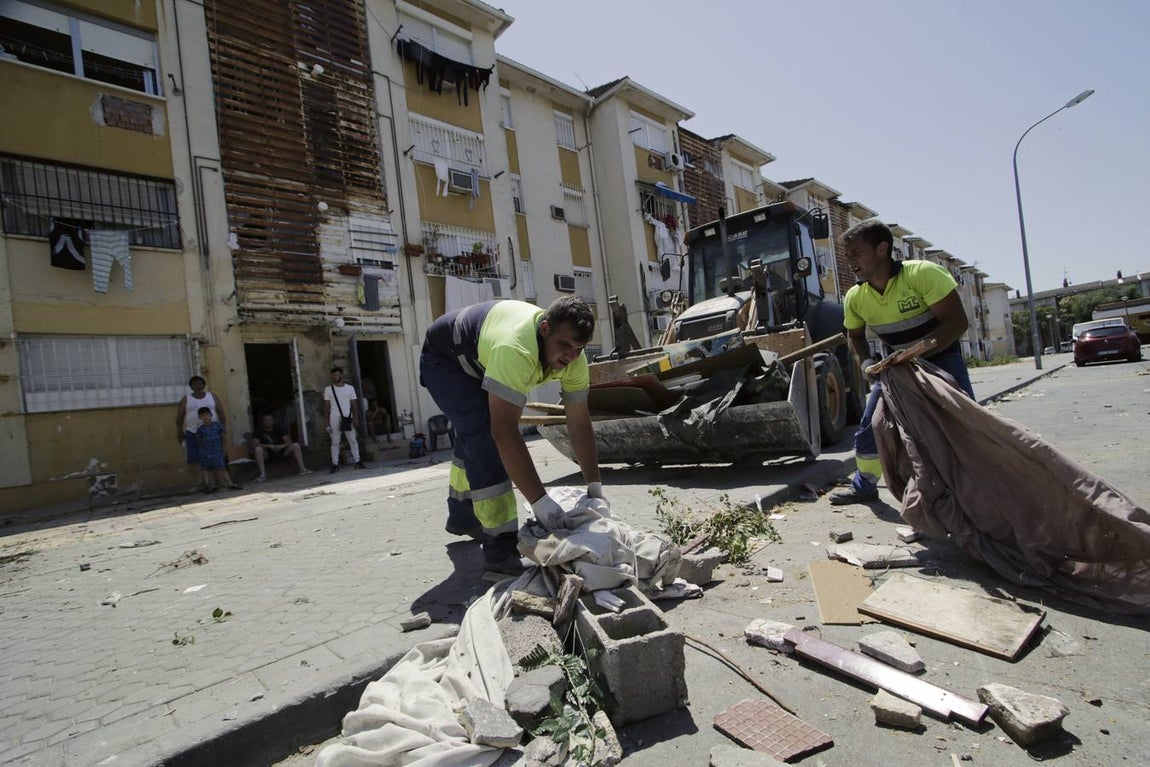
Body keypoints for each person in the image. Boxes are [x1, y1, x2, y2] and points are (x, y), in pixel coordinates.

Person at [419, 295, 605, 575]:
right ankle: (500, 550)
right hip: (445, 359)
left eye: (579, 349)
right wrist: (541, 502)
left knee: (473, 432)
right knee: (484, 435)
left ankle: (461, 515)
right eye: (564, 346)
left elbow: (578, 423)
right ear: (544, 329)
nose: (570, 357)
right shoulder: (517, 349)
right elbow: (504, 432)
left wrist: (595, 489)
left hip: (479, 353)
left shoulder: (574, 361)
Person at [831, 219, 975, 506]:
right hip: (895, 368)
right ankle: (864, 486)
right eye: (847, 256)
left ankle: (976, 486)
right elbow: (855, 337)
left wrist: (919, 353)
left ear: (882, 249)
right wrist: (867, 365)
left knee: (965, 423)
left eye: (857, 253)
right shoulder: (855, 297)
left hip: (942, 357)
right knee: (872, 426)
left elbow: (956, 322)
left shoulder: (923, 274)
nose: (850, 261)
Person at [176, 375, 226, 490]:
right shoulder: (186, 399)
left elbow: (221, 413)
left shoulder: (212, 396)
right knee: (194, 458)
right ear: (191, 386)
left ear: (204, 385)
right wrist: (179, 431)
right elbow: (180, 416)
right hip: (192, 432)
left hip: (212, 433)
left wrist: (223, 430)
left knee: (213, 456)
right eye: (194, 384)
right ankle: (202, 482)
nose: (197, 386)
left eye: (199, 383)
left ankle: (218, 482)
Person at [323, 366, 365, 473]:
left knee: (352, 440)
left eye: (336, 375)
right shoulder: (328, 389)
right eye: (332, 375)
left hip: (347, 417)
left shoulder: (350, 388)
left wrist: (355, 418)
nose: (334, 377)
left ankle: (358, 461)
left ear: (341, 375)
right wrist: (326, 422)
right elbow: (326, 406)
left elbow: (354, 404)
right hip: (334, 417)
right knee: (335, 442)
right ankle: (335, 464)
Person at [248, 413, 312, 481]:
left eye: (270, 420)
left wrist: (281, 446)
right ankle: (263, 475)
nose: (268, 422)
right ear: (263, 422)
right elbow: (255, 444)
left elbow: (288, 441)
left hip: (281, 451)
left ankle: (303, 469)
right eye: (266, 420)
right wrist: (269, 446)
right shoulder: (258, 431)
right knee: (258, 449)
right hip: (267, 453)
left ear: (273, 421)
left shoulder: (278, 428)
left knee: (295, 445)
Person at [196, 407, 240, 492]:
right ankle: (212, 485)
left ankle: (230, 483)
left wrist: (224, 448)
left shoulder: (217, 426)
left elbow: (224, 437)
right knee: (209, 469)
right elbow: (199, 441)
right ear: (200, 418)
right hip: (206, 453)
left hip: (217, 451)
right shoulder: (200, 430)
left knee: (221, 468)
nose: (205, 417)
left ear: (211, 415)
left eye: (207, 415)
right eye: (203, 416)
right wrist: (203, 452)